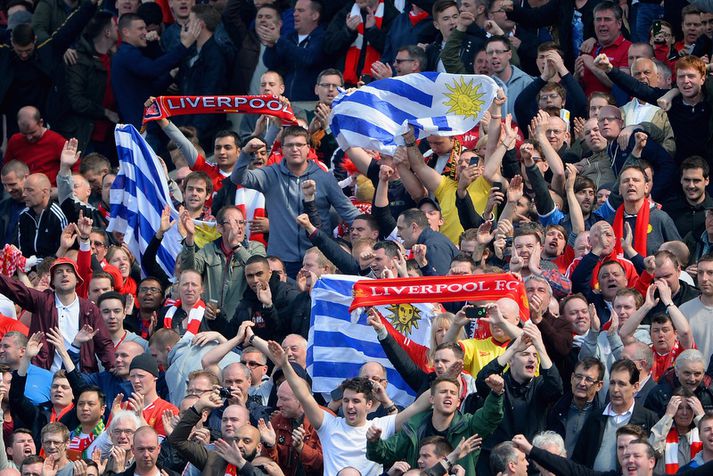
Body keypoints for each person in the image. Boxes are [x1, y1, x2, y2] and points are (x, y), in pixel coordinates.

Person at [231, 128, 359, 277]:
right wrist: (246, 153)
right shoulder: (270, 174)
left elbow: (348, 211)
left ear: (308, 148)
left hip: (317, 260)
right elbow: (238, 178)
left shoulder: (325, 178)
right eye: (290, 145)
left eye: (299, 145)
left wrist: (374, 234)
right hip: (280, 261)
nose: (295, 149)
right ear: (282, 149)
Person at [366, 375, 505, 474]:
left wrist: (496, 394)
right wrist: (374, 442)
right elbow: (384, 453)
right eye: (443, 392)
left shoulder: (469, 424)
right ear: (431, 399)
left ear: (458, 402)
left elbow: (490, 417)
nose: (448, 395)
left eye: (453, 393)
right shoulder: (414, 426)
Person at [0, 257, 114, 373]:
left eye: (69, 271)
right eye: (59, 272)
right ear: (52, 281)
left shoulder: (90, 309)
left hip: (80, 374)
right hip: (44, 375)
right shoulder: (42, 301)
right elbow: (14, 288)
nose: (64, 274)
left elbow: (104, 343)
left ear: (78, 279)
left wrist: (113, 367)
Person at [111, 13, 200, 128]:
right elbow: (153, 69)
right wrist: (184, 45)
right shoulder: (127, 54)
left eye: (145, 28)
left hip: (145, 123)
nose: (145, 32)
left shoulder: (129, 53)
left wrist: (170, 76)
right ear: (126, 32)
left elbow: (149, 90)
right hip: (141, 125)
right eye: (140, 29)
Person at [572, 359, 658, 470]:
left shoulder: (648, 420)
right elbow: (579, 459)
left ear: (635, 387)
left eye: (621, 384)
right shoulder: (595, 418)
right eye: (612, 383)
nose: (615, 389)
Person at [263, 0, 325, 101]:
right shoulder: (289, 38)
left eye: (300, 11)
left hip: (310, 103)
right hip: (286, 102)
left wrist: (279, 40)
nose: (295, 14)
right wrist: (271, 46)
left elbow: (308, 58)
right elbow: (270, 63)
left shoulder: (322, 37)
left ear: (314, 16)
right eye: (295, 10)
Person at [3, 106, 66, 186]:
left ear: (41, 123)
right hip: (21, 188)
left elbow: (75, 166)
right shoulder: (15, 140)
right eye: (24, 133)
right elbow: (7, 167)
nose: (29, 137)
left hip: (47, 190)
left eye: (33, 132)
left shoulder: (56, 140)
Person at [18, 173, 68, 259]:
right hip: (29, 268)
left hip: (53, 267)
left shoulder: (58, 216)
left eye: (30, 190)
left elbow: (63, 251)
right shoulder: (24, 215)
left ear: (44, 192)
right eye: (24, 190)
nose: (24, 194)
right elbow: (23, 251)